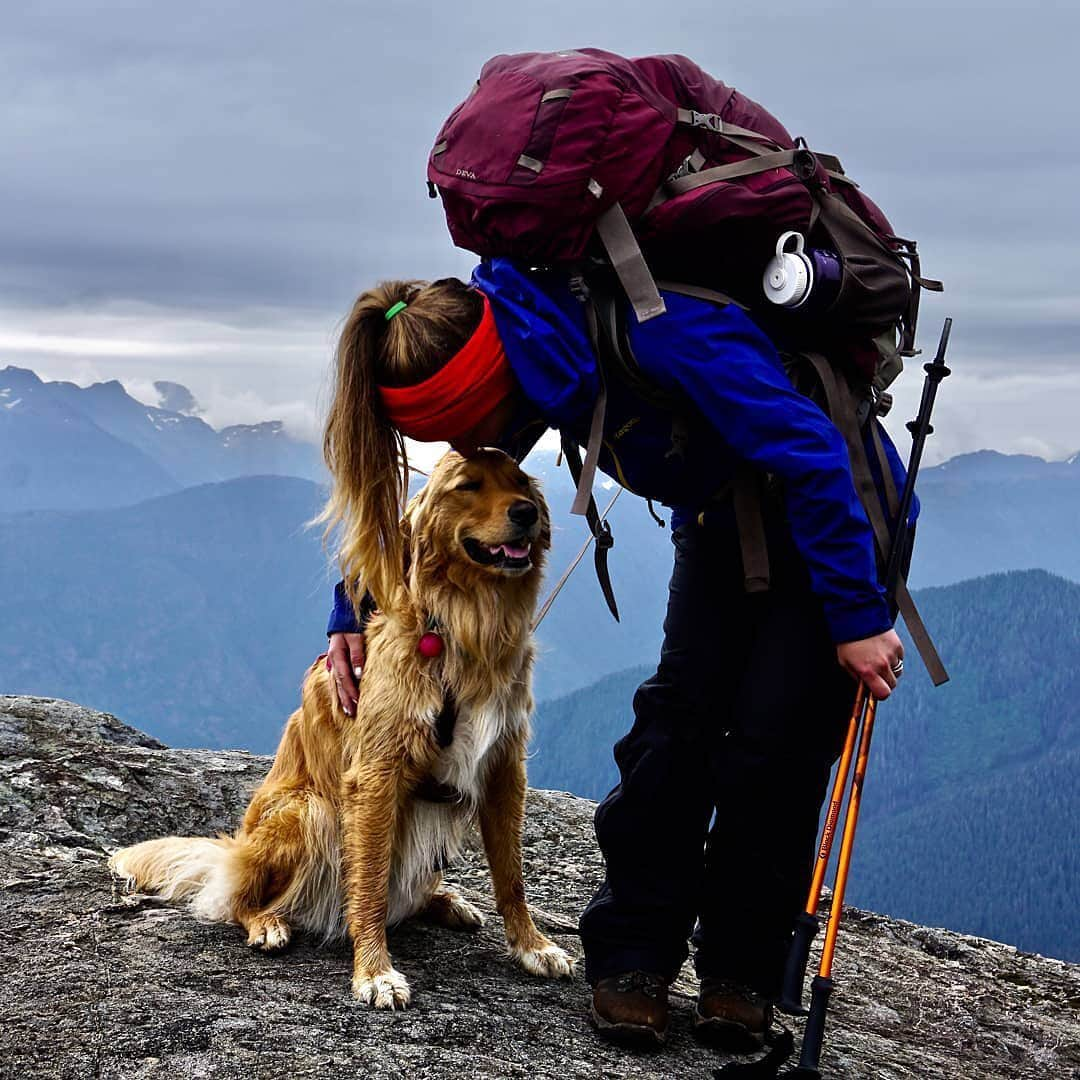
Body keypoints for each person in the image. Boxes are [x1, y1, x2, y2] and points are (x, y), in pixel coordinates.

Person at [319, 258, 906, 1050]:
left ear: (486, 379)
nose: (465, 446)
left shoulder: (661, 332)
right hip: (719, 513)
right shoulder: (519, 345)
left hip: (836, 512)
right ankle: (634, 959)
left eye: (461, 425)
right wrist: (349, 607)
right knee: (676, 721)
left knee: (778, 741)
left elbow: (808, 448)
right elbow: (413, 511)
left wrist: (857, 613)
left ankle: (742, 974)